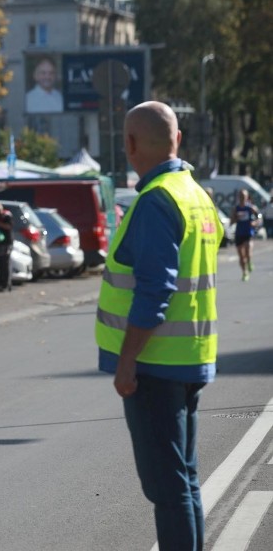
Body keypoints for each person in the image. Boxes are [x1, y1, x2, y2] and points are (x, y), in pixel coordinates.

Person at [95, 101, 222, 550]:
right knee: (183, 484)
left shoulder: (155, 201)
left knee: (168, 491)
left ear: (129, 144)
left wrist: (127, 360)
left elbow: (155, 289)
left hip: (155, 364)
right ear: (178, 140)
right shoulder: (196, 195)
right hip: (191, 356)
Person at [230, 189, 261, 281]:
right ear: (238, 197)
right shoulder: (236, 208)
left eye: (244, 196)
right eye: (240, 196)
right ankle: (245, 272)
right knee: (241, 256)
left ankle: (250, 262)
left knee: (248, 253)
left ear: (247, 197)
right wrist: (235, 219)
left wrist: (255, 222)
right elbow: (232, 220)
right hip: (239, 233)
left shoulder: (251, 208)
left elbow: (259, 217)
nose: (242, 198)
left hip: (248, 232)